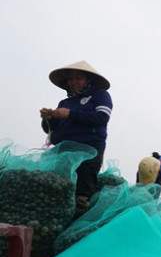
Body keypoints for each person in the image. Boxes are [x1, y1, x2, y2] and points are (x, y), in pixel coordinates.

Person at [40, 60, 113, 219]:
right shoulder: (65, 103)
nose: (73, 82)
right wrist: (48, 118)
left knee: (81, 194)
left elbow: (102, 117)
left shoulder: (99, 95)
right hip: (64, 151)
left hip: (88, 151)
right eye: (71, 79)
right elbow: (51, 130)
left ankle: (78, 226)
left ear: (88, 80)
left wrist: (71, 114)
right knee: (60, 190)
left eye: (78, 78)